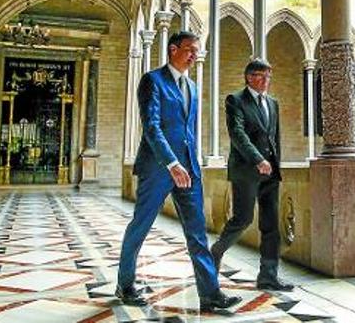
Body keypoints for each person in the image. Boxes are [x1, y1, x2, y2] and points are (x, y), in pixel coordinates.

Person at [116, 31, 241, 312]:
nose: (194, 55)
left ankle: (210, 294)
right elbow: (152, 127)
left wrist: (190, 165)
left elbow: (188, 132)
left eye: (197, 51)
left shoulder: (193, 87)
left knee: (197, 232)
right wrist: (171, 163)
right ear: (173, 49)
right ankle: (125, 284)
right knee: (141, 226)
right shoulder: (153, 80)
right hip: (159, 168)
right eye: (189, 50)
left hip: (189, 171)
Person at [210, 59, 293, 292]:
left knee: (271, 227)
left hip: (270, 174)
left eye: (269, 76)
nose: (266, 80)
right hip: (246, 171)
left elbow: (274, 137)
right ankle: (215, 253)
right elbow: (237, 134)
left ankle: (268, 276)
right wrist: (258, 159)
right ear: (248, 77)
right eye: (260, 76)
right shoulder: (235, 100)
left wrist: (275, 165)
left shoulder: (272, 103)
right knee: (242, 219)